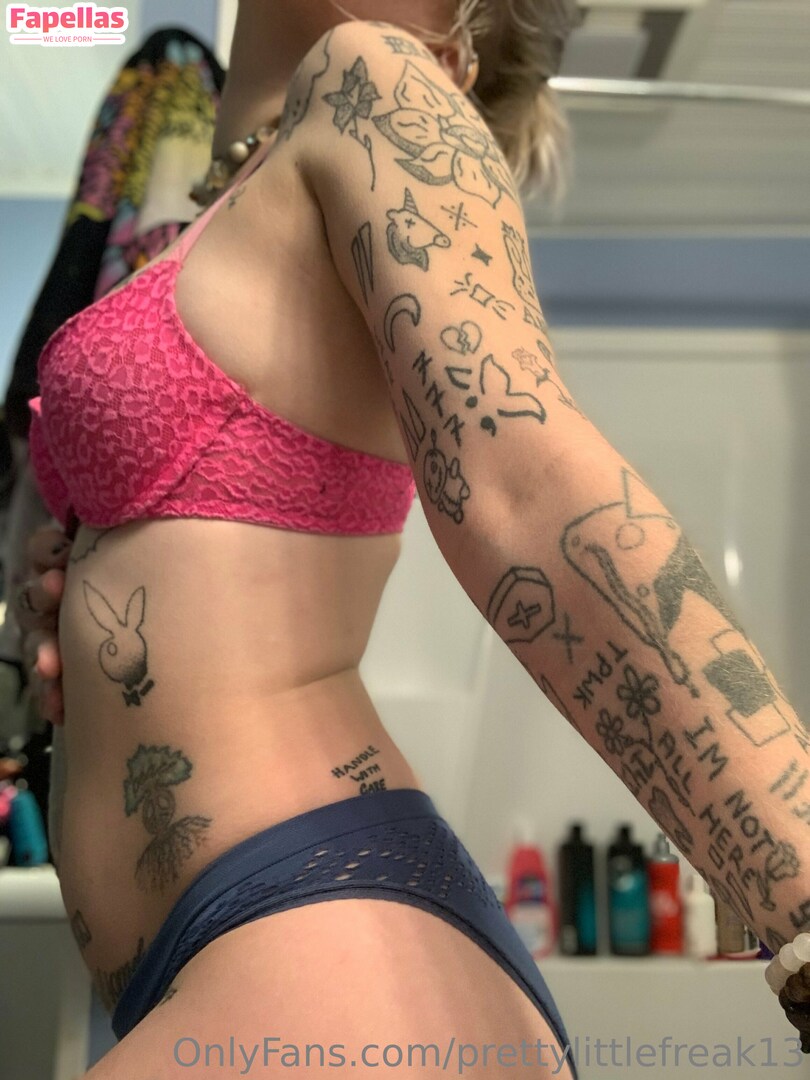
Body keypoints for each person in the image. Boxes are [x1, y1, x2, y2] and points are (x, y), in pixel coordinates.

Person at [13, 0, 810, 1074]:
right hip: (249, 947)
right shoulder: (240, 191)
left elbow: (527, 487)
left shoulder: (372, 79)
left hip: (321, 928)